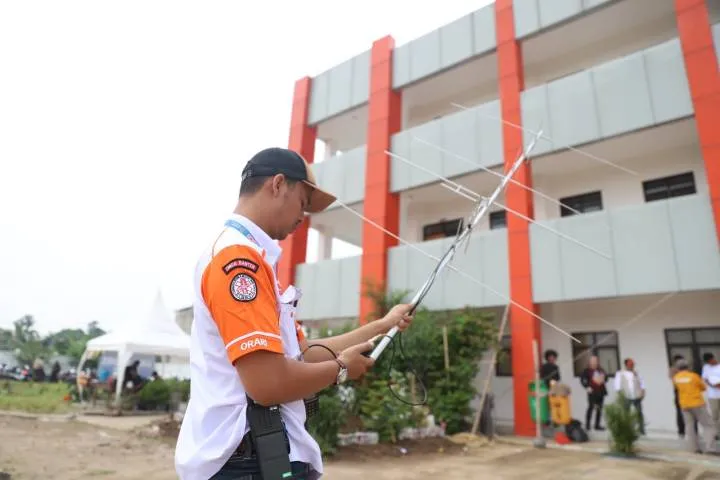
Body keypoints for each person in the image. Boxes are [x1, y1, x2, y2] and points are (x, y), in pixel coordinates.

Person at [174, 147, 414, 480]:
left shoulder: (252, 257)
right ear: (277, 184)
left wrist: (383, 325)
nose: (303, 217)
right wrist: (341, 369)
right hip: (245, 462)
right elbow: (267, 383)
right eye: (302, 203)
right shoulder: (238, 260)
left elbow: (302, 354)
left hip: (257, 458)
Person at [672, 358, 718, 455]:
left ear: (678, 368)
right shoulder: (693, 376)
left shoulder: (676, 378)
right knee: (708, 425)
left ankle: (694, 448)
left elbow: (677, 387)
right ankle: (710, 448)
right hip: (697, 403)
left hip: (684, 404)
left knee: (689, 427)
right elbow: (703, 387)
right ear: (688, 367)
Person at [614, 358, 645, 435]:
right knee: (626, 414)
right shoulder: (620, 373)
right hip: (626, 396)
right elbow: (617, 385)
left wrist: (642, 391)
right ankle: (627, 429)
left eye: (632, 365)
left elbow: (642, 382)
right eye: (630, 365)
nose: (632, 366)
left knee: (639, 413)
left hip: (636, 395)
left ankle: (641, 429)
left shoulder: (636, 372)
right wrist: (620, 395)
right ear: (626, 365)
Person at [579, 355, 607, 431]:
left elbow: (606, 378)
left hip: (601, 391)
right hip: (592, 392)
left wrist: (603, 378)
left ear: (598, 362)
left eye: (596, 361)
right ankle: (587, 425)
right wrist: (587, 387)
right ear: (590, 362)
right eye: (593, 361)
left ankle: (597, 425)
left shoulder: (601, 370)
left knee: (599, 409)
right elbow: (583, 380)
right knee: (591, 407)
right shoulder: (586, 370)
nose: (594, 362)